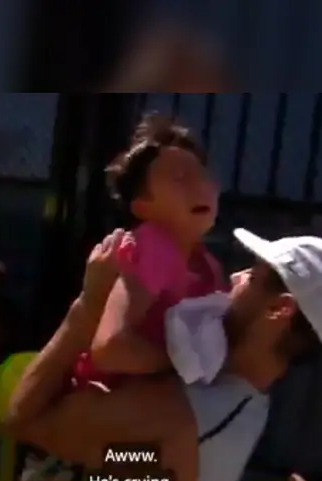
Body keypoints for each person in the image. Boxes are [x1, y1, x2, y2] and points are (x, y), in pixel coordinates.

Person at [4, 227, 322, 481]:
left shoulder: (181, 413)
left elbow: (27, 420)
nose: (235, 277)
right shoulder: (243, 401)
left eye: (252, 276)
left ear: (279, 309)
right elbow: (146, 474)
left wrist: (90, 303)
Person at [77, 114, 223, 386]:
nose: (201, 186)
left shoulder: (209, 265)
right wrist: (184, 362)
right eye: (180, 178)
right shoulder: (154, 246)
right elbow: (111, 349)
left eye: (202, 176)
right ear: (142, 205)